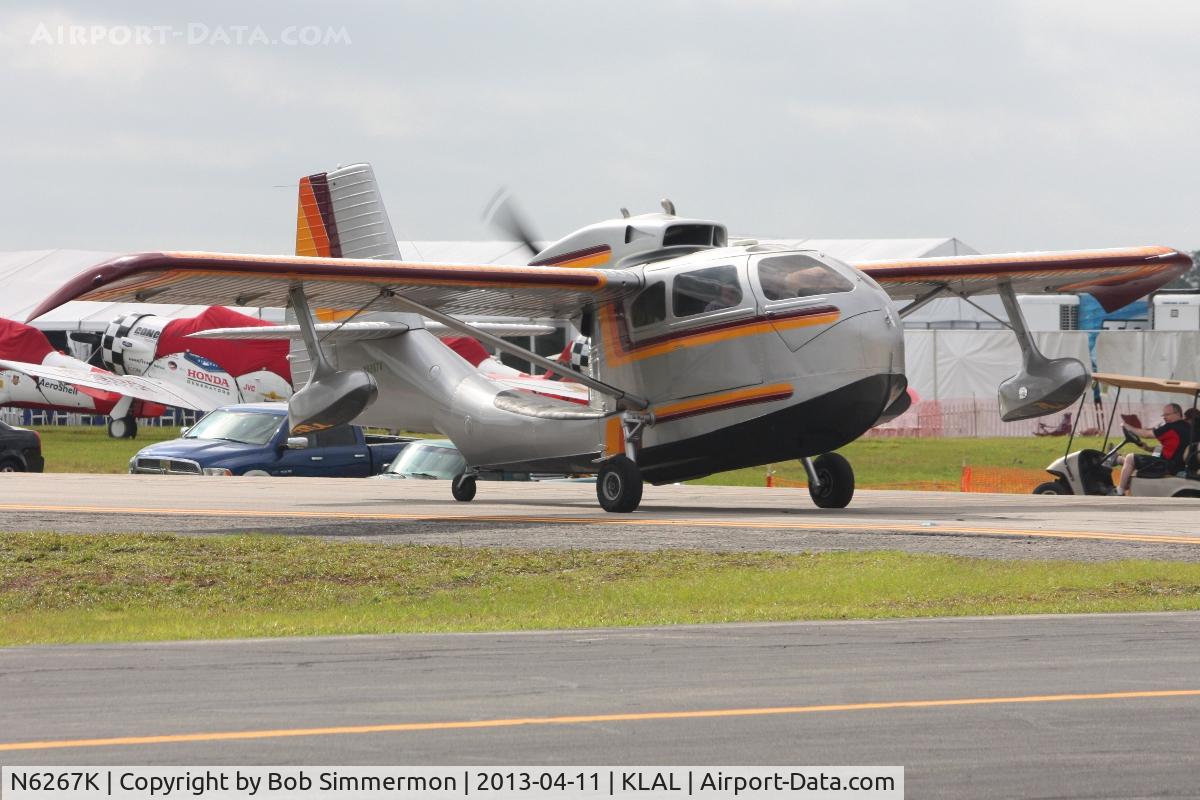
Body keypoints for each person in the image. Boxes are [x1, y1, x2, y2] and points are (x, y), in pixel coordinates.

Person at [1115, 403, 1192, 495]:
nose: (1164, 417)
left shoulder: (1171, 427)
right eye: (1163, 415)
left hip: (1167, 466)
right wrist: (1148, 448)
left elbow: (1146, 434)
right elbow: (1170, 448)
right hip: (1176, 464)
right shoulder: (1188, 427)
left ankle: (1120, 490)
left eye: (1167, 414)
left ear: (1178, 413)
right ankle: (1118, 460)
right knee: (1147, 456)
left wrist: (1128, 427)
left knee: (1130, 458)